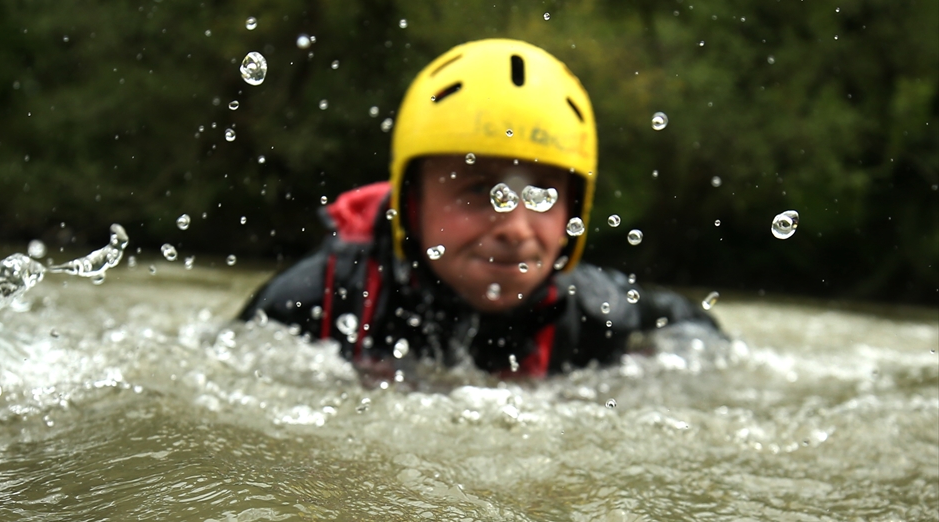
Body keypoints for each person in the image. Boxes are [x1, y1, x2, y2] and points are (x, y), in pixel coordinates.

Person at [240, 39, 717, 377]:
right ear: (412, 202)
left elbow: (696, 332)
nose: (515, 228)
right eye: (478, 189)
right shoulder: (319, 300)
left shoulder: (597, 312)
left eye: (543, 194)